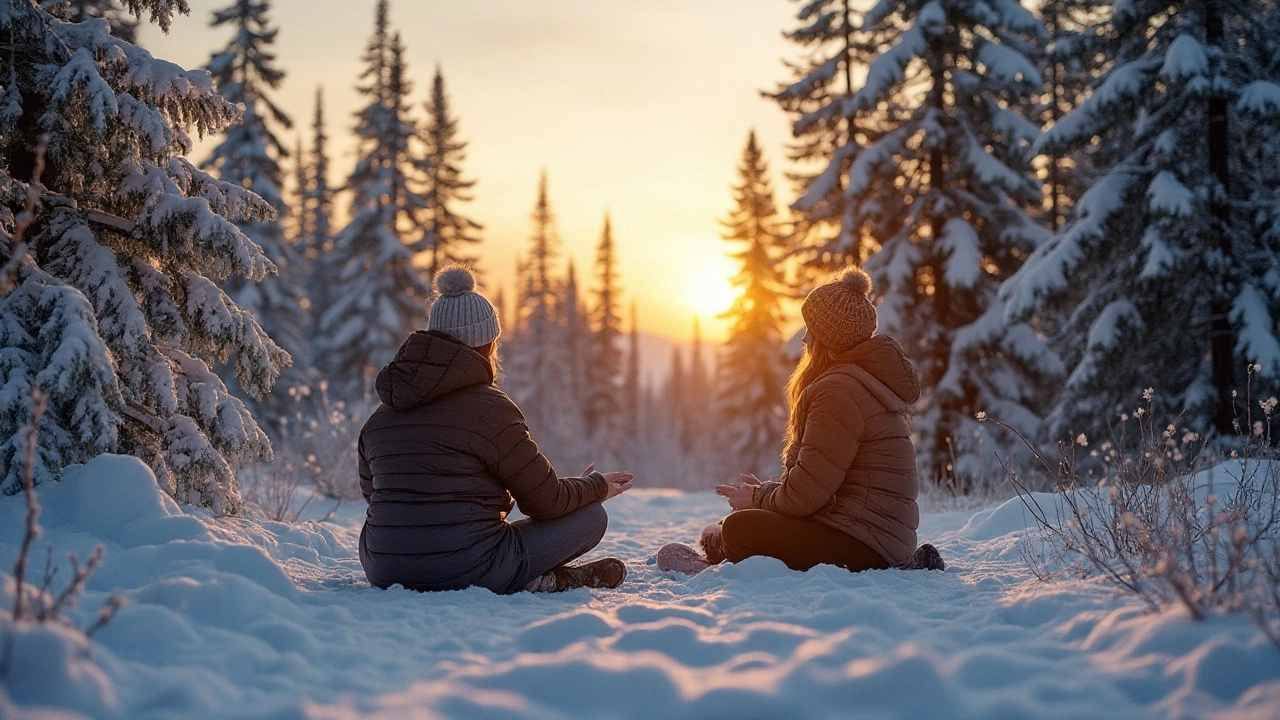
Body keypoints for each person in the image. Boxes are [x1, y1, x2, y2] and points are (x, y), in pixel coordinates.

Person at [358, 265, 634, 594]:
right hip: (469, 568)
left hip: (383, 567)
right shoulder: (491, 410)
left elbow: (373, 495)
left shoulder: (381, 416)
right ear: (488, 344)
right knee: (591, 518)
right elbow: (545, 502)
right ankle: (534, 579)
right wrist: (596, 488)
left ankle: (541, 580)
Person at [657, 267, 944, 575]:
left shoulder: (838, 391)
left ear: (827, 339)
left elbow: (804, 498)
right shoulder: (858, 382)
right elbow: (820, 485)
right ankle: (724, 544)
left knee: (740, 528)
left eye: (811, 329)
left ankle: (718, 557)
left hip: (865, 545)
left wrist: (757, 497)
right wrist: (765, 496)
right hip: (874, 537)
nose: (804, 338)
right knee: (741, 522)